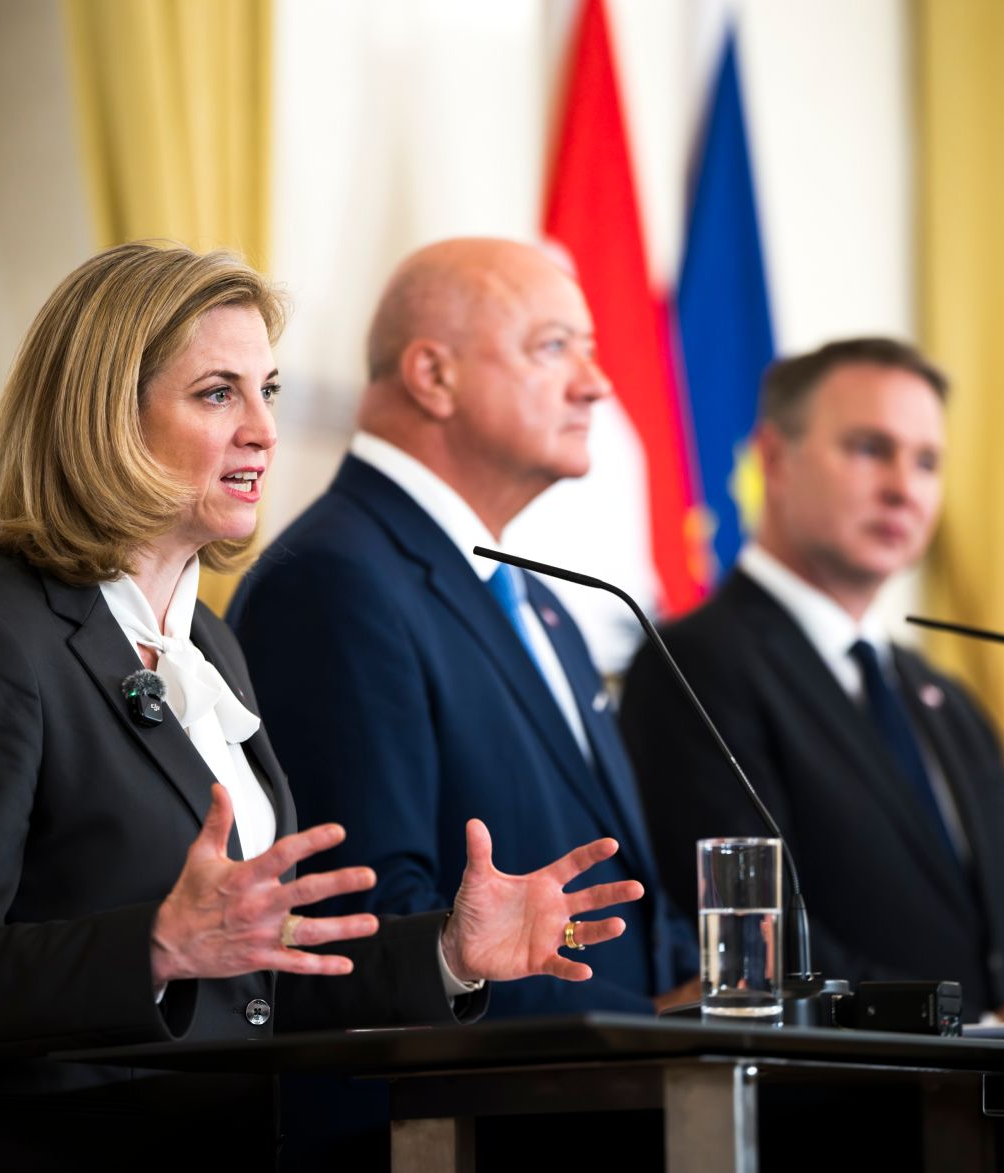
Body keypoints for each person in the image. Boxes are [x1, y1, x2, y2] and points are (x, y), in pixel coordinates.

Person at [0, 242, 644, 1171]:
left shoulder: (210, 644)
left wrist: (447, 952)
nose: (265, 430)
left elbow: (262, 976)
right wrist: (154, 945)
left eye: (267, 390)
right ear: (106, 418)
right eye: (217, 393)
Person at [228, 238, 698, 1020]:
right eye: (554, 347)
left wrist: (709, 1000)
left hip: (626, 1082)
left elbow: (630, 901)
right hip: (468, 1094)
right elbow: (365, 924)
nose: (596, 384)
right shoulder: (333, 583)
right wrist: (642, 1028)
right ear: (433, 375)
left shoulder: (542, 601)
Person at [618, 338, 1004, 1020]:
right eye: (870, 449)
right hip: (838, 1083)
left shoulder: (945, 699)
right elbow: (760, 941)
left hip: (996, 1084)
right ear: (775, 459)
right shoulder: (693, 666)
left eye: (927, 462)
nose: (903, 488)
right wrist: (971, 1029)